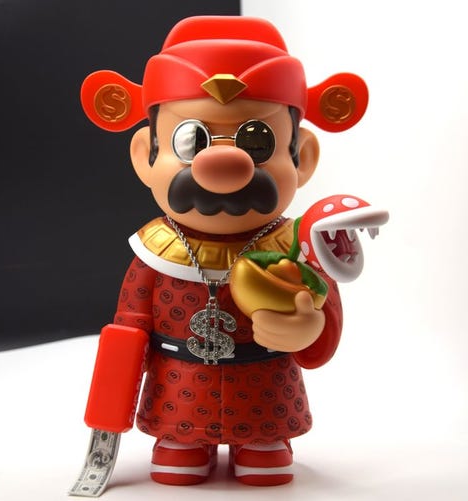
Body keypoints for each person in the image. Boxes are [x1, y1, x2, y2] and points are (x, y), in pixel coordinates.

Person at [80, 15, 368, 487]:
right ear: (144, 156)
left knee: (264, 458)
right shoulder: (155, 251)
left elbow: (323, 302)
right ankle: (182, 444)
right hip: (180, 391)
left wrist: (310, 326)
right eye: (190, 140)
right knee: (177, 460)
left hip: (264, 388)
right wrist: (112, 404)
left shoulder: (296, 245)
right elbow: (130, 327)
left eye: (257, 141)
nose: (223, 164)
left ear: (303, 158)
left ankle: (262, 444)